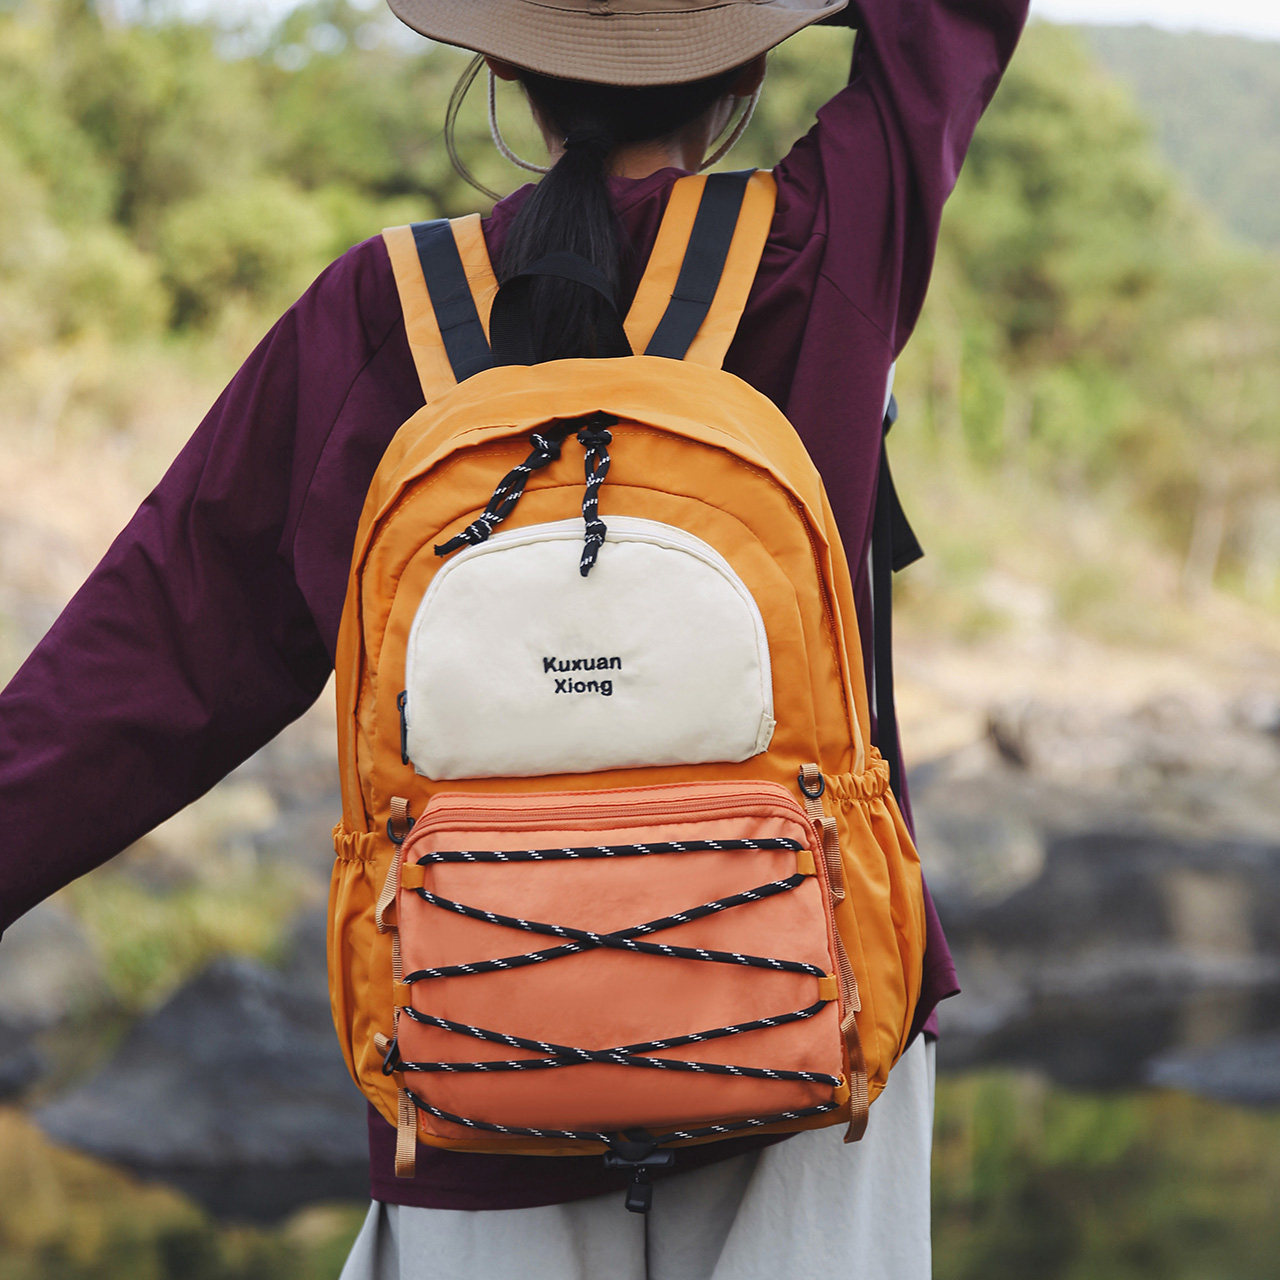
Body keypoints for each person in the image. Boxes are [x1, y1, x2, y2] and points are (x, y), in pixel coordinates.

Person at [0, 0, 1028, 1275]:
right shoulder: (821, 247)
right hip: (811, 1039)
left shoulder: (375, 315)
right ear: (751, 60)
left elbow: (153, 659)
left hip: (473, 1060)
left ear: (496, 62)